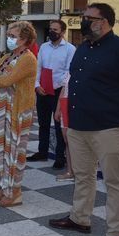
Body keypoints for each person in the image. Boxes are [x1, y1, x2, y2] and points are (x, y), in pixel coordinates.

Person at [49, 3, 119, 236]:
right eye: (83, 17)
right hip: (80, 126)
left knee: (116, 182)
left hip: (112, 127)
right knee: (83, 175)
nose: (84, 21)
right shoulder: (82, 49)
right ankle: (80, 218)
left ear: (105, 21)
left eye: (89, 18)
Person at [0, 21, 37, 207]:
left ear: (24, 39)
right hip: (3, 108)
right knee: (2, 148)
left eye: (13, 36)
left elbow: (7, 79)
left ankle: (16, 192)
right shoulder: (8, 56)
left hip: (18, 110)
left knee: (15, 150)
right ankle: (4, 186)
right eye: (9, 36)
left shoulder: (28, 58)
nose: (9, 39)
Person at [27, 20, 76, 170]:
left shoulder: (70, 49)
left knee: (59, 124)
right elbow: (38, 67)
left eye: (55, 29)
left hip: (59, 90)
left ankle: (60, 156)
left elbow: (69, 72)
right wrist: (37, 85)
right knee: (43, 122)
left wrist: (57, 86)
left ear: (62, 32)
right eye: (51, 29)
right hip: (43, 89)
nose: (52, 32)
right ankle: (42, 152)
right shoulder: (44, 47)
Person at [53, 73, 74, 182]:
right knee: (66, 139)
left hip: (76, 105)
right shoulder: (70, 70)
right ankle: (70, 171)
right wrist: (58, 108)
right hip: (65, 104)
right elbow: (63, 90)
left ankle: (78, 171)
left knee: (74, 139)